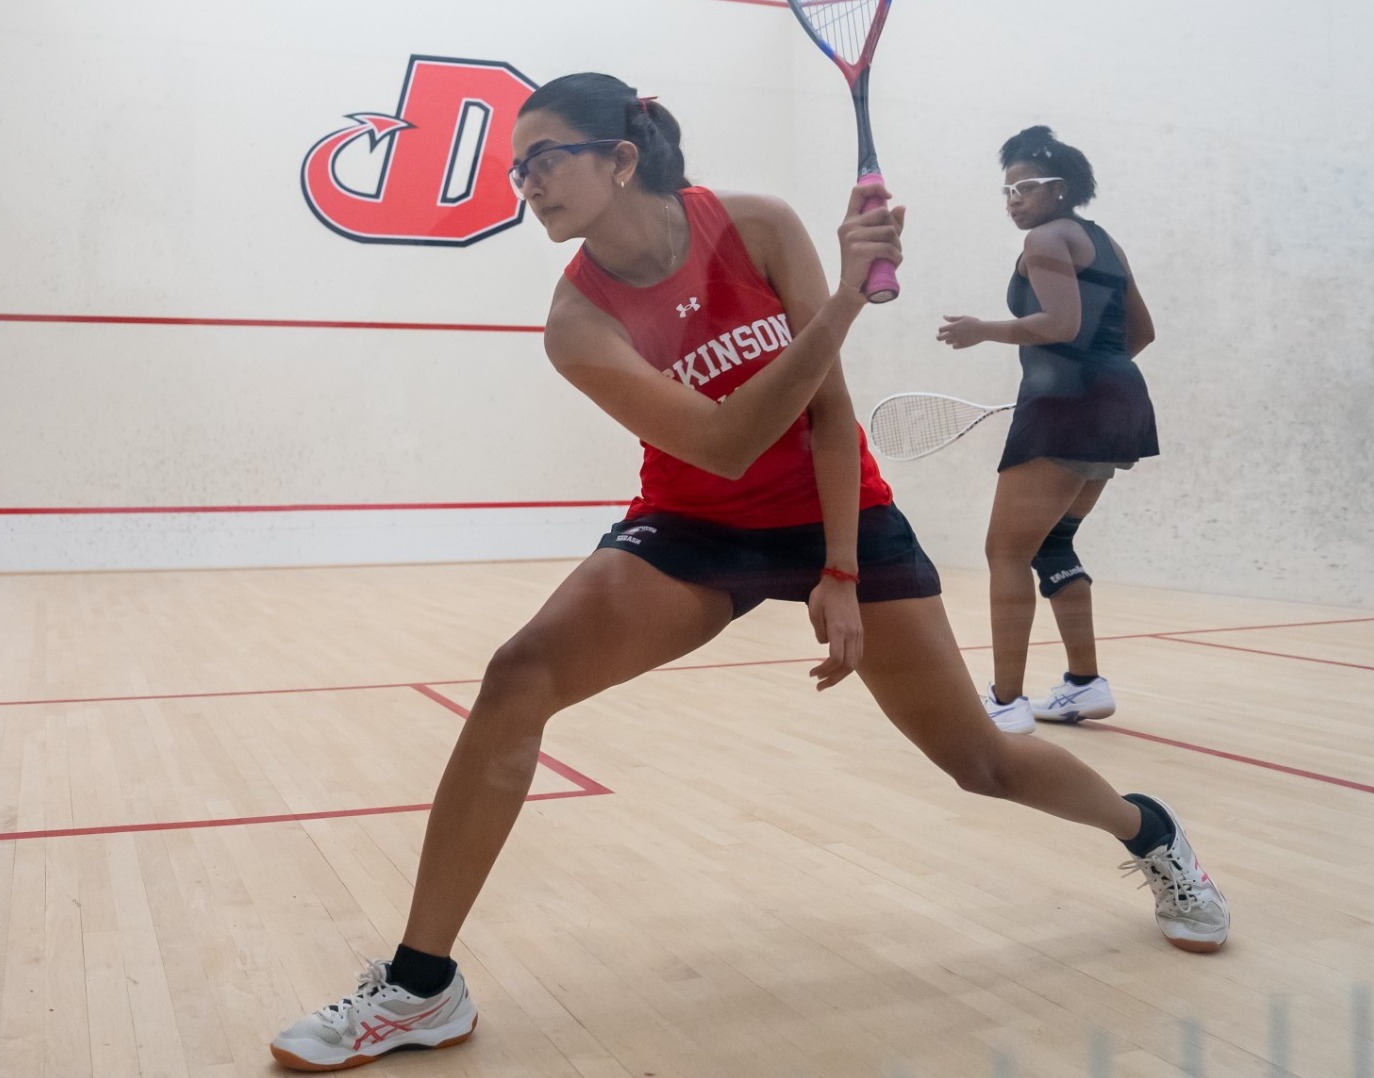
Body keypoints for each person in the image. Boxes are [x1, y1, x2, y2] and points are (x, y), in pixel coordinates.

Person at [271, 78, 1224, 1072]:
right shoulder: (575, 322)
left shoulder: (757, 225)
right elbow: (724, 444)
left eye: (546, 158)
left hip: (840, 508)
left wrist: (843, 569)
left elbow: (826, 409)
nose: (527, 185)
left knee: (979, 762)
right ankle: (422, 986)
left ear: (620, 157)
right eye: (519, 169)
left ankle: (1149, 832)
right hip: (695, 524)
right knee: (518, 676)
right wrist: (849, 300)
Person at [937, 126, 1158, 734]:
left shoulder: (1044, 238)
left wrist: (984, 329)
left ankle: (1006, 702)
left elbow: (1060, 324)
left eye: (1025, 186)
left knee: (1005, 552)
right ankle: (1084, 687)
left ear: (1059, 190)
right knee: (1053, 546)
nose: (1013, 198)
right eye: (1007, 189)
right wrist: (1095, 387)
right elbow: (1140, 332)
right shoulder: (1102, 239)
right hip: (1119, 407)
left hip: (1068, 409)